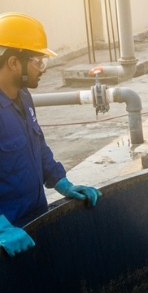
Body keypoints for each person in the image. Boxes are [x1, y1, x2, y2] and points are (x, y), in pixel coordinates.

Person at [0, 13, 102, 257]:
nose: (43, 69)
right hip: (7, 239)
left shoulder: (23, 96)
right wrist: (2, 229)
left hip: (33, 220)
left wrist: (62, 183)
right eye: (38, 61)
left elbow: (38, 146)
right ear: (14, 62)